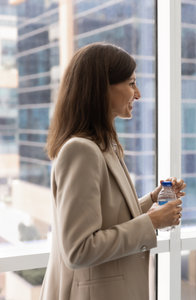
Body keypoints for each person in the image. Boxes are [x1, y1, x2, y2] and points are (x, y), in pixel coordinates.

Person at [41, 42, 185, 300]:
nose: (138, 94)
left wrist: (152, 201)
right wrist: (152, 221)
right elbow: (79, 249)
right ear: (102, 88)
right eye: (131, 83)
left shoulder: (104, 147)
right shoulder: (81, 151)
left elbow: (106, 220)